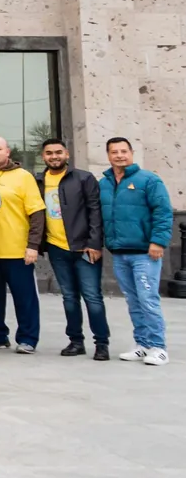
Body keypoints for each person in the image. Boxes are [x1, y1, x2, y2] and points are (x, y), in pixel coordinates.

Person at [100, 137, 171, 366]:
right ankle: (142, 344)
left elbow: (162, 211)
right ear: (108, 155)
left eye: (123, 151)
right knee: (133, 300)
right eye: (114, 152)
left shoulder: (148, 180)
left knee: (148, 298)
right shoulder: (104, 183)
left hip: (145, 252)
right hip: (119, 252)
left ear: (131, 152)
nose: (119, 155)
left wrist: (158, 241)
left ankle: (159, 347)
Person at [0, 136, 45, 353]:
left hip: (17, 250)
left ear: (8, 151)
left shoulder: (23, 177)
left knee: (25, 298)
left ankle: (28, 338)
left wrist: (33, 245)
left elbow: (37, 212)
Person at [37, 138, 108, 359]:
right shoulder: (38, 181)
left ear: (67, 154)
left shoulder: (83, 178)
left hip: (84, 249)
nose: (54, 157)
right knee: (69, 297)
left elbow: (95, 212)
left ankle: (102, 343)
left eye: (58, 152)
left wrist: (94, 243)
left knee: (92, 297)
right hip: (57, 248)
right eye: (49, 153)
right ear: (43, 157)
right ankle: (76, 341)